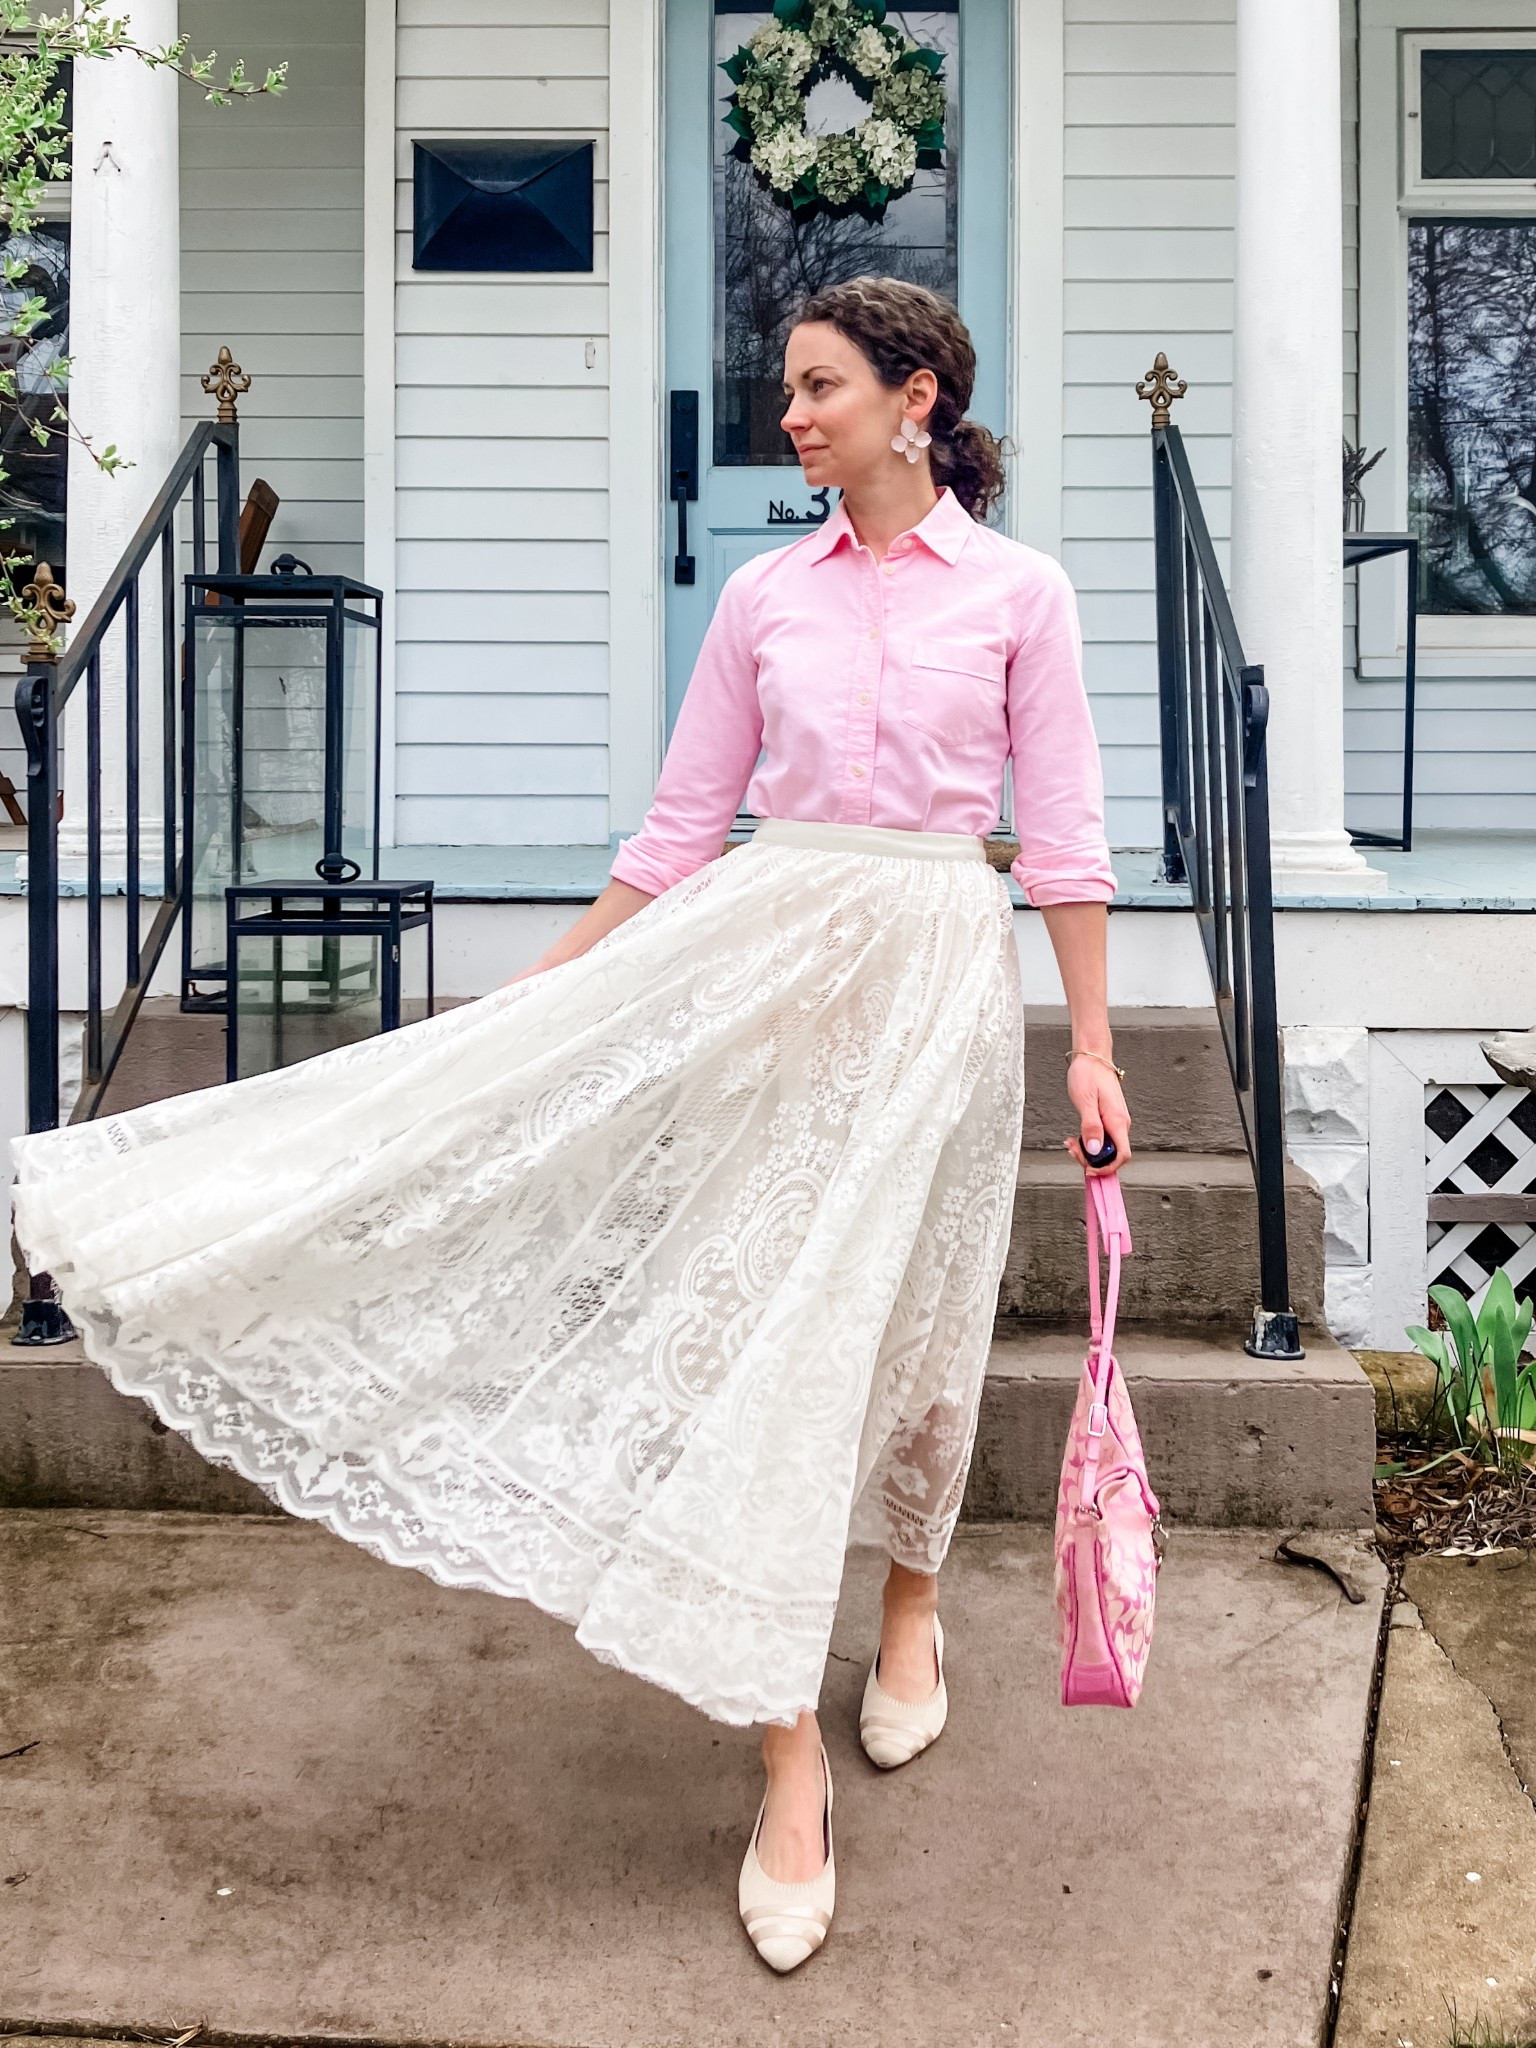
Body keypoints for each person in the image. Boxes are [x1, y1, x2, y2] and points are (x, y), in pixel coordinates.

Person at [10, 275, 1131, 1975]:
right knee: (765, 1343)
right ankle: (785, 1749)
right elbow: (680, 828)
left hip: (937, 990)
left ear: (917, 401)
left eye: (820, 386)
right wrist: (549, 986)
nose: (788, 415)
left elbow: (1065, 840)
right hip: (767, 983)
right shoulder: (760, 596)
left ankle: (910, 1604)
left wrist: (1096, 1049)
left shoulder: (1021, 595)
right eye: (786, 388)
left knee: (914, 1321)